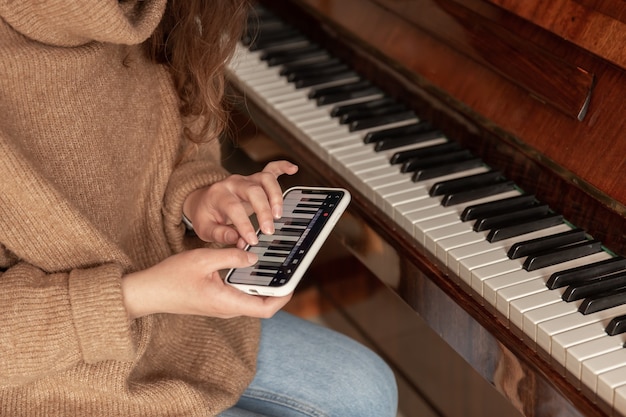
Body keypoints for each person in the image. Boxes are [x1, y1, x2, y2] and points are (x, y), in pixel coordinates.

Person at [0, 0, 398, 416]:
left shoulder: (151, 10)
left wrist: (197, 197)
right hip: (48, 380)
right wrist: (138, 295)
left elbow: (177, 146)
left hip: (179, 321)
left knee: (365, 389)